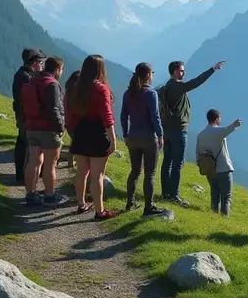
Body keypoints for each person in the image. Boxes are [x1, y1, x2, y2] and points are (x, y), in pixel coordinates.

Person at [157, 59, 225, 207]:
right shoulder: (178, 86)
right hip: (178, 131)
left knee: (167, 161)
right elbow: (196, 82)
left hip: (167, 130)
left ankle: (165, 193)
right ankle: (173, 195)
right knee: (178, 163)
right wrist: (212, 69)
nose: (184, 72)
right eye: (181, 70)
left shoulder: (167, 86)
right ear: (174, 72)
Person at [68, 55, 119, 220]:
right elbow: (107, 115)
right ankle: (99, 211)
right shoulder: (101, 89)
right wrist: (113, 138)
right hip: (98, 133)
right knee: (97, 175)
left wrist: (73, 132)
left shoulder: (76, 87)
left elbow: (70, 113)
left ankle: (82, 204)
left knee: (82, 171)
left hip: (81, 132)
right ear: (100, 69)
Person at [120, 62, 169, 218]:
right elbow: (155, 117)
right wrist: (160, 135)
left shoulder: (128, 93)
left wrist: (125, 134)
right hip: (148, 137)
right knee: (150, 174)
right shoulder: (151, 93)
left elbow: (123, 115)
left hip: (133, 136)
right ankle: (149, 207)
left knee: (134, 171)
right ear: (148, 75)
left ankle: (130, 202)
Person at [21, 56, 68, 206]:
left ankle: (30, 194)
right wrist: (60, 128)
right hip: (48, 129)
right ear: (56, 70)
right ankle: (49, 196)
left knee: (33, 161)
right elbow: (54, 109)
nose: (61, 72)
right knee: (50, 163)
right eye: (61, 70)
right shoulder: (52, 84)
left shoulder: (32, 81)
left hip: (31, 127)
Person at [195, 109, 242, 216]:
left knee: (214, 197)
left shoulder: (200, 135)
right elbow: (227, 129)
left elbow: (197, 154)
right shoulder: (217, 132)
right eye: (219, 118)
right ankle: (224, 219)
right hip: (224, 169)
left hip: (210, 171)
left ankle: (213, 217)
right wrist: (235, 124)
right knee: (226, 197)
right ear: (217, 119)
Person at [12, 48, 46, 184]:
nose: (42, 65)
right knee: (30, 145)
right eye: (40, 62)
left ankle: (21, 174)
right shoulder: (27, 77)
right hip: (27, 116)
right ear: (34, 62)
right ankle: (27, 176)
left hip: (22, 115)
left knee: (22, 143)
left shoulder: (21, 74)